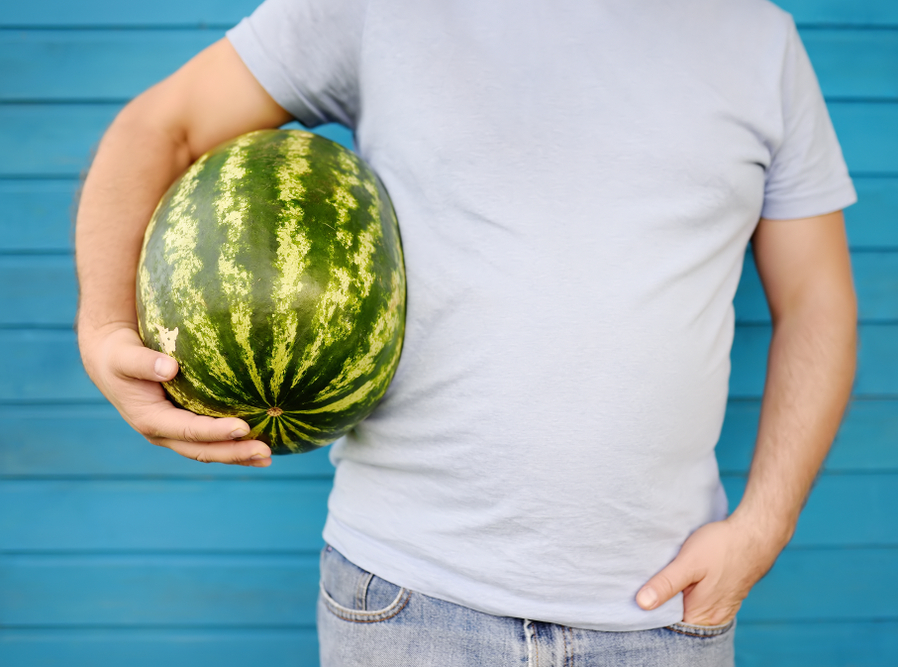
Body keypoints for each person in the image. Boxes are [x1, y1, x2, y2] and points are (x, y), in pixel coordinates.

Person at [75, 0, 858, 664]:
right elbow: (166, 127)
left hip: (662, 620)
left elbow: (816, 299)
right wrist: (106, 326)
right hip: (406, 601)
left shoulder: (760, 40)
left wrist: (763, 528)